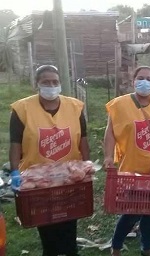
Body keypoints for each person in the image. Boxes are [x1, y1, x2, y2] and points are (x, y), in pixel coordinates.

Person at [9, 65, 90, 256]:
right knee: (46, 223)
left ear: (60, 83)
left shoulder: (75, 107)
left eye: (55, 82)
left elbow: (84, 141)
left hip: (69, 178)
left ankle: (70, 251)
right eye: (46, 82)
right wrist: (14, 172)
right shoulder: (22, 109)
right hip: (38, 180)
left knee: (69, 220)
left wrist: (86, 166)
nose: (51, 86)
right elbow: (15, 144)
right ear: (37, 84)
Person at [103, 66, 150, 256]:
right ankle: (116, 247)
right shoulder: (119, 105)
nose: (144, 82)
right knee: (131, 211)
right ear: (133, 80)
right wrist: (107, 156)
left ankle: (146, 247)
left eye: (149, 78)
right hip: (132, 167)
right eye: (140, 78)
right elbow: (110, 132)